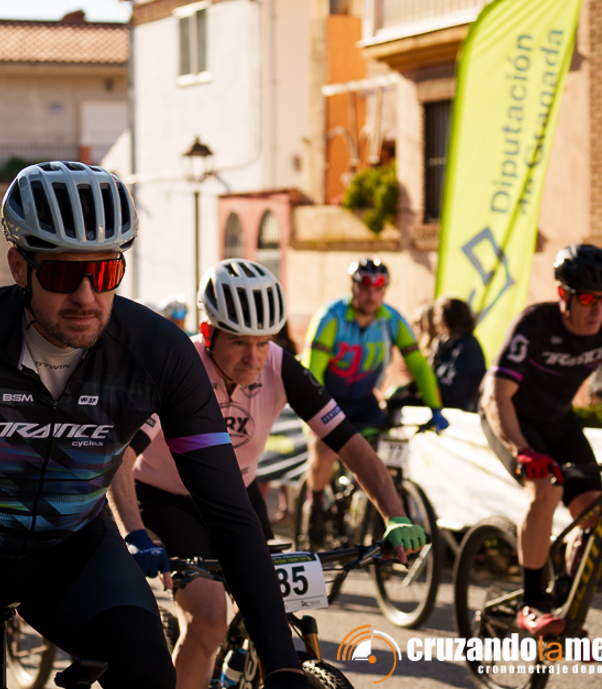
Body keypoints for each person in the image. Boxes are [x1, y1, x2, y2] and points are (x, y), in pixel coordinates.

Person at [0, 162, 310, 689]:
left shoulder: (158, 353)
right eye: (61, 274)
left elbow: (229, 513)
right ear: (19, 267)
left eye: (104, 273)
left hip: (72, 548)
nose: (85, 296)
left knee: (150, 674)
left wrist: (282, 664)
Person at [108, 259, 427, 689]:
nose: (254, 357)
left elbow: (350, 443)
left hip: (237, 496)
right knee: (208, 619)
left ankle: (239, 669)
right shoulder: (178, 364)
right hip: (167, 499)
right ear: (208, 333)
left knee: (273, 611)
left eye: (264, 342)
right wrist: (134, 533)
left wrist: (395, 515)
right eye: (239, 342)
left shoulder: (279, 365)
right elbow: (121, 456)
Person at [480, 244, 602, 637]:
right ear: (563, 295)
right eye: (587, 299)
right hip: (512, 417)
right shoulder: (535, 325)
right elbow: (496, 395)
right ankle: (532, 603)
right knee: (546, 489)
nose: (597, 309)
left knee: (594, 512)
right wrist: (522, 450)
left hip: (559, 420)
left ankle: (565, 597)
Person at [302, 258, 447, 546]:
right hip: (328, 399)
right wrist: (314, 409)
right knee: (323, 455)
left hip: (365, 400)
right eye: (365, 288)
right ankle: (316, 504)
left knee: (377, 463)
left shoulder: (391, 320)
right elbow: (312, 368)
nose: (371, 295)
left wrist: (436, 408)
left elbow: (418, 366)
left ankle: (373, 522)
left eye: (378, 289)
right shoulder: (331, 316)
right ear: (353, 287)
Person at [429, 297, 486, 411]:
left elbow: (455, 395)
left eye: (438, 316)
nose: (435, 321)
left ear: (448, 318)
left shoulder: (468, 348)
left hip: (459, 414)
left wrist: (426, 387)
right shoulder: (447, 344)